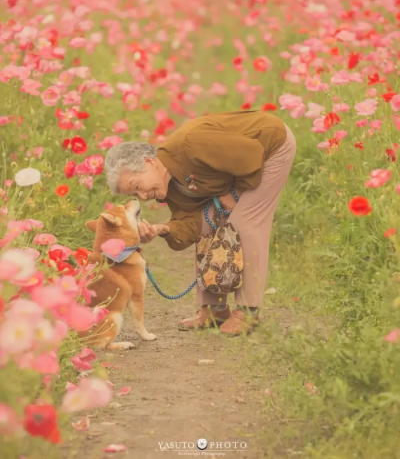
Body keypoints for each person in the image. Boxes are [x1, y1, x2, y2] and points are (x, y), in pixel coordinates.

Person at [104, 110, 296, 335]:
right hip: (244, 165)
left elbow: (251, 154)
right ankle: (214, 309)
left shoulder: (190, 145)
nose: (144, 197)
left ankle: (247, 312)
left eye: (137, 186)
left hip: (271, 148)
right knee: (208, 224)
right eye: (136, 195)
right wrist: (163, 229)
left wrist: (236, 191)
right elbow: (192, 222)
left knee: (244, 223)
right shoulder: (168, 186)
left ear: (149, 162)